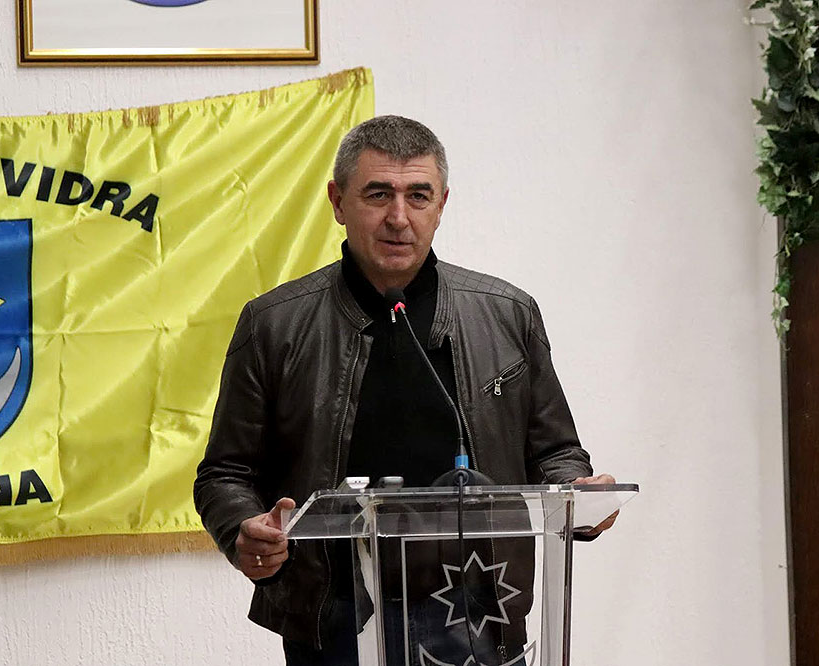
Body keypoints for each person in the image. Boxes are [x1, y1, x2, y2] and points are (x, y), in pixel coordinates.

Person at [193, 115, 617, 666]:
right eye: (378, 195)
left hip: (477, 605)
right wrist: (243, 529)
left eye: (418, 196)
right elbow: (224, 473)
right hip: (335, 614)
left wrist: (578, 494)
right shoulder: (274, 324)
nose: (399, 217)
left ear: (441, 205)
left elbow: (555, 452)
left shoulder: (508, 314)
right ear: (338, 202)